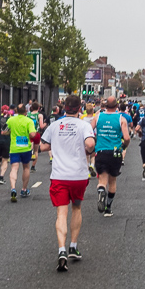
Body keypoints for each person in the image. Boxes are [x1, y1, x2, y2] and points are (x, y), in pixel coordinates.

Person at [39, 94, 96, 271]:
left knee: (61, 214)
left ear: (64, 108)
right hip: (78, 176)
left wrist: (56, 144)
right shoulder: (84, 125)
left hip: (59, 176)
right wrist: (89, 147)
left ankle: (61, 249)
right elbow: (90, 144)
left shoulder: (55, 126)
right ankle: (73, 246)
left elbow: (42, 147)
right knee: (77, 208)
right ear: (80, 108)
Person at [93, 96, 130, 217]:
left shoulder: (98, 116)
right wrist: (124, 146)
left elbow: (89, 130)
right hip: (115, 152)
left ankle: (101, 190)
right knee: (113, 180)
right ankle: (108, 207)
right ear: (116, 106)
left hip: (101, 151)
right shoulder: (121, 119)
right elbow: (127, 138)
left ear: (105, 105)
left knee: (102, 179)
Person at [6, 104, 37, 202]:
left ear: (16, 111)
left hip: (14, 148)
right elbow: (32, 134)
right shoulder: (29, 121)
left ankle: (13, 188)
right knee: (26, 167)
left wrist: (12, 132)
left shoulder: (11, 120)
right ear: (25, 112)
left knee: (14, 168)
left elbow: (4, 131)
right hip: (25, 148)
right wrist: (32, 133)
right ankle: (24, 190)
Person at [27, 102, 46, 172]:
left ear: (31, 108)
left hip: (29, 133)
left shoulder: (28, 115)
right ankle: (33, 166)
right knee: (36, 151)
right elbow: (41, 126)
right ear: (38, 108)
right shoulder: (39, 115)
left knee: (28, 148)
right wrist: (45, 124)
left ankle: (27, 165)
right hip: (36, 133)